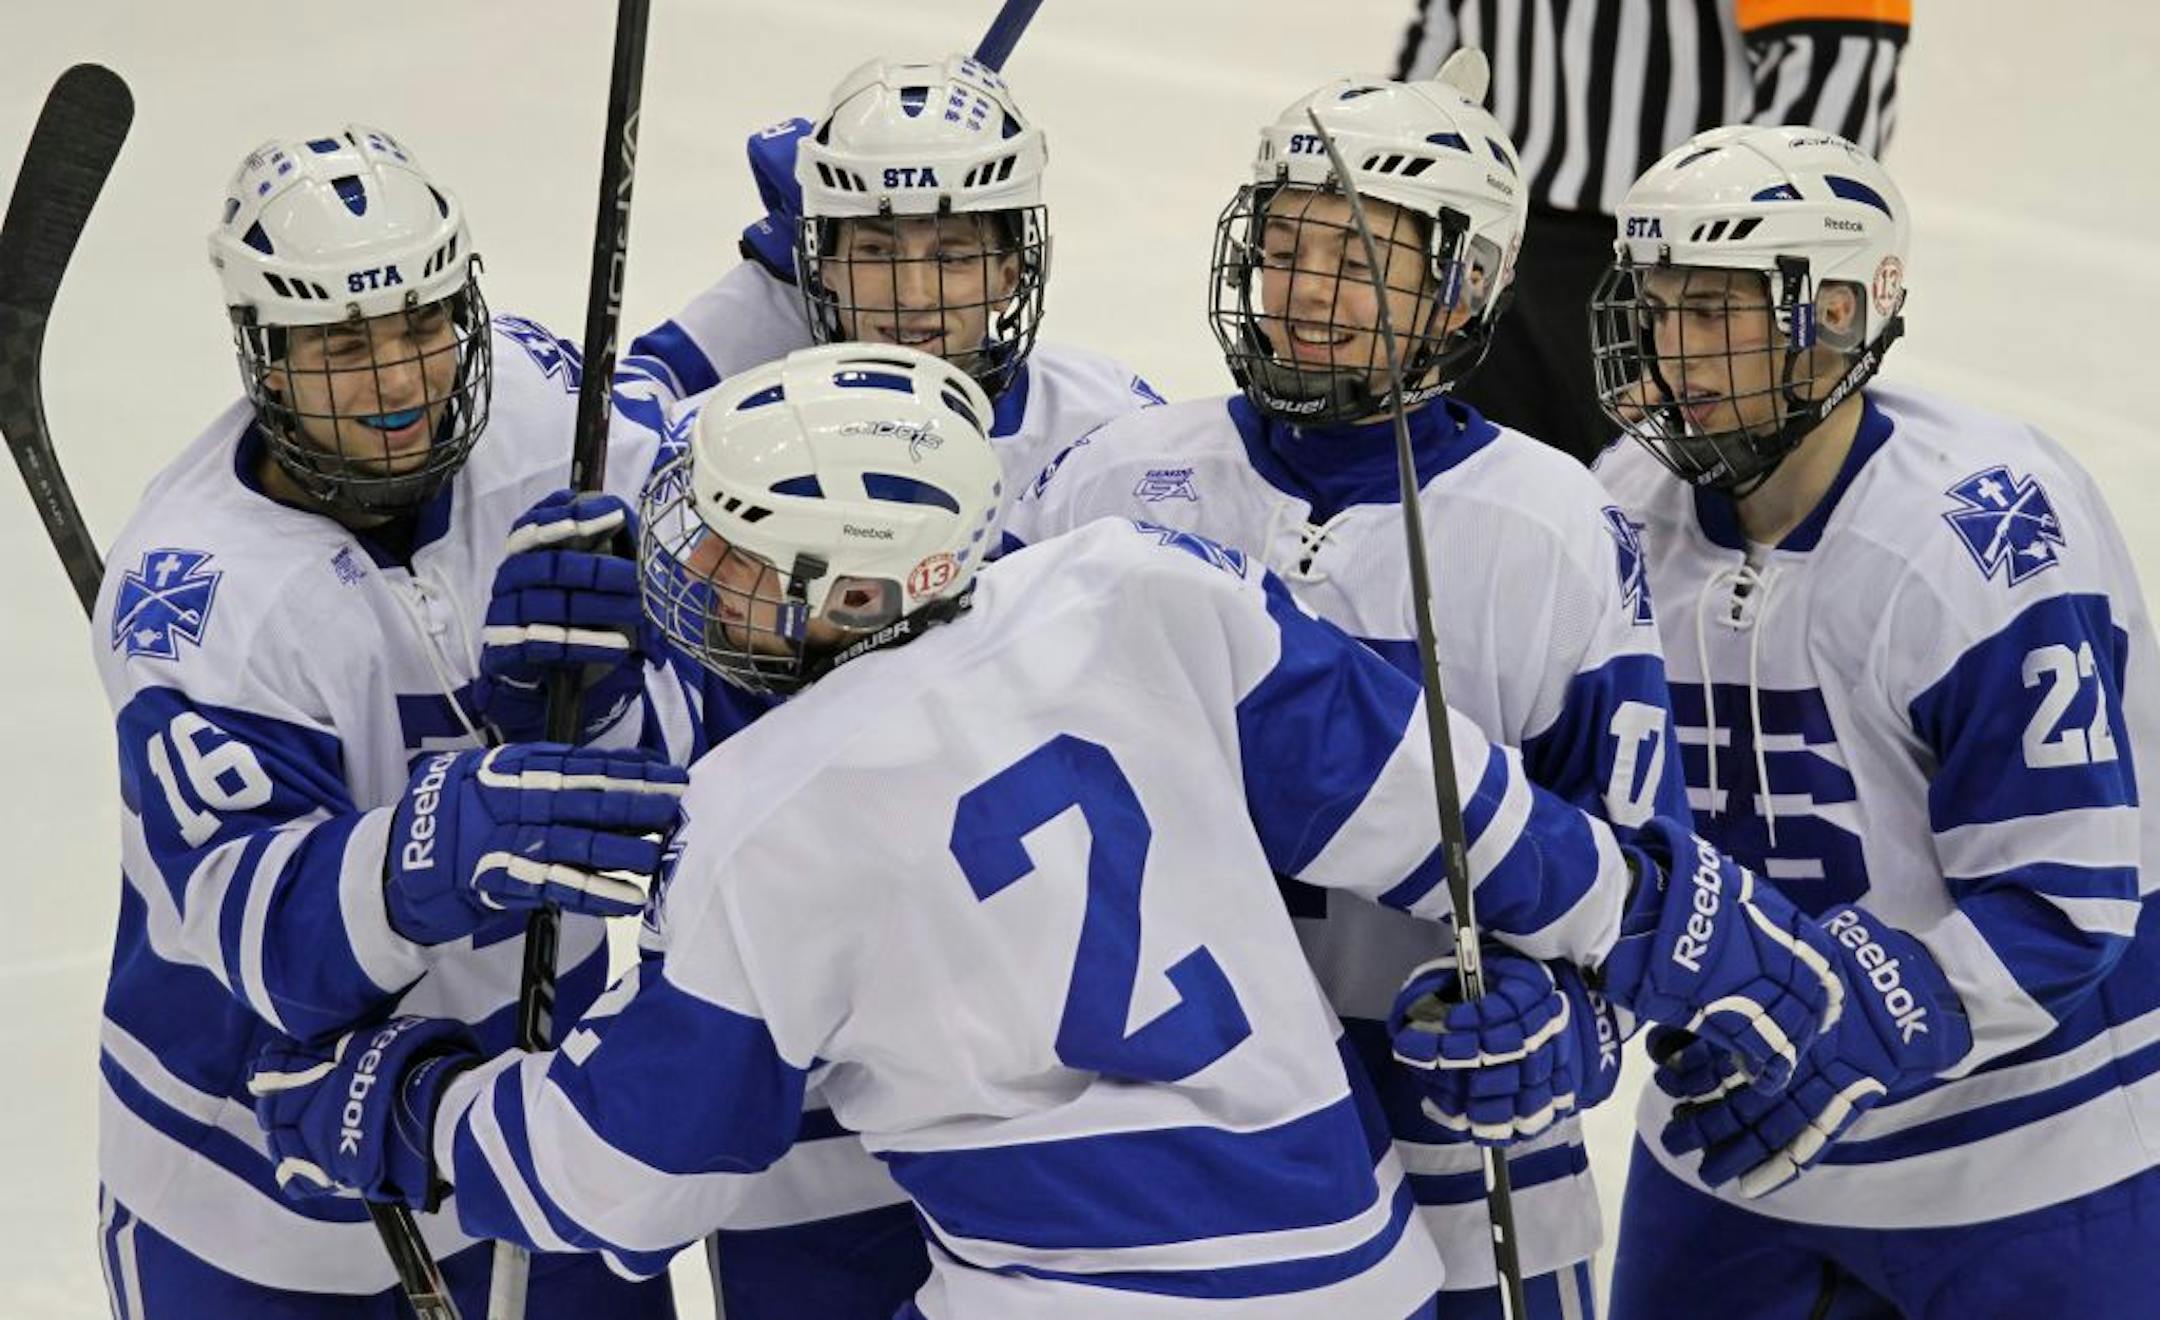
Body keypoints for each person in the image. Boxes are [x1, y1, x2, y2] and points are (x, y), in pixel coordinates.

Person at [243, 343, 1849, 1319]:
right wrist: (1679, 935)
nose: (692, 576)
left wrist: (405, 1113)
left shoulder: (766, 815)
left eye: (730, 555)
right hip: (1368, 1284)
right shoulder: (1140, 587)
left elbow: (621, 1180)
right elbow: (1469, 823)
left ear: (843, 593)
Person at [88, 125, 897, 1319]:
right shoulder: (195, 598)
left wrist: (793, 278)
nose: (398, 382)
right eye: (342, 344)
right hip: (258, 1200)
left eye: (422, 324)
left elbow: (688, 445)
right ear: (261, 352)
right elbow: (265, 941)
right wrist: (440, 843)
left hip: (533, 1132)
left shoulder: (534, 415)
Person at [1007, 70, 1685, 1318]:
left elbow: (1638, 863)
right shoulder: (1113, 485)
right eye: (1286, 243)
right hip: (1165, 1160)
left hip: (1454, 1163)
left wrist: (1571, 1026)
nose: (1309, 292)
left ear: (1469, 286)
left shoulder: (1552, 528)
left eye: (1363, 257)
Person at [1586, 124, 2160, 1317]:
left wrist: (1857, 1021)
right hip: (1737, 1137)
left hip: (2033, 1159)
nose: (1675, 355)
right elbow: (1600, 822)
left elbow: (2070, 893)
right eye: (1660, 311)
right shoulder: (1619, 508)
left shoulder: (1981, 535)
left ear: (1838, 313)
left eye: (1718, 314)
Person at [1389, 1, 1912, 464]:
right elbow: (1446, 29)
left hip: (1680, 273)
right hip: (1495, 247)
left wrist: (1742, 296)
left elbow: (1836, 56)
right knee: (1486, 518)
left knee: (1666, 536)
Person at [620, 53, 1163, 492]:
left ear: (1008, 277)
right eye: (877, 254)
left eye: (951, 258)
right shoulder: (741, 431)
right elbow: (625, 423)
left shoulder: (1102, 424)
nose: (914, 296)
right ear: (822, 268)